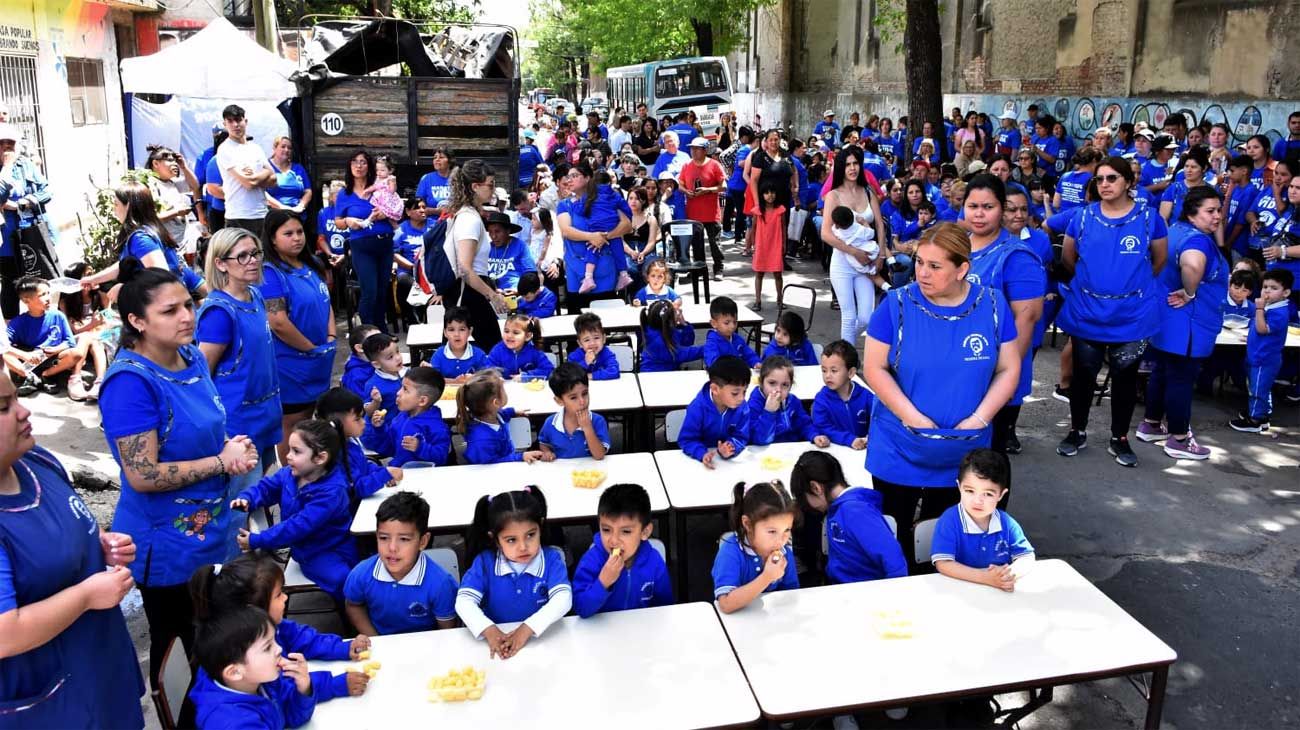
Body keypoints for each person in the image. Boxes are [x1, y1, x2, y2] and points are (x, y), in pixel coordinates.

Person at [99, 260, 258, 690]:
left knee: (217, 642)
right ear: (136, 321)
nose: (187, 316)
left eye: (188, 304)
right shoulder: (130, 384)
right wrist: (221, 463)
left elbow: (204, 428)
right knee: (182, 655)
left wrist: (232, 448)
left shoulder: (189, 356)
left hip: (211, 528)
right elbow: (143, 474)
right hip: (167, 547)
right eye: (170, 311)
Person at [863, 224, 1019, 564]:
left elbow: (1009, 368)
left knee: (949, 538)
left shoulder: (992, 305)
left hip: (963, 451)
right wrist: (912, 417)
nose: (922, 272)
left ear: (962, 268)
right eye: (919, 262)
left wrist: (979, 418)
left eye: (935, 266)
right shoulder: (895, 305)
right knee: (894, 535)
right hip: (899, 445)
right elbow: (874, 368)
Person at [0, 370, 144, 728]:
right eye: (3, 407)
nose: (23, 412)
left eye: (17, 398)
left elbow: (63, 531)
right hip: (49, 702)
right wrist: (85, 596)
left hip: (99, 665)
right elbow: (5, 633)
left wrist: (97, 545)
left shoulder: (37, 462)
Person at [1056, 156, 1170, 467]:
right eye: (1100, 179)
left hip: (1132, 315)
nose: (1105, 184)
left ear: (1129, 182)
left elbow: (1159, 261)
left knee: (1125, 378)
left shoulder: (1149, 219)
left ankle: (1119, 438)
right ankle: (1076, 430)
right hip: (1087, 311)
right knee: (1083, 376)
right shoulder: (1081, 217)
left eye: (1112, 178)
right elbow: (1069, 259)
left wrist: (1128, 287)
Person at [196, 229, 283, 549]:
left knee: (261, 494)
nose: (252, 262)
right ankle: (233, 570)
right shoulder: (220, 312)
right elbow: (203, 373)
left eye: (255, 253)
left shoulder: (255, 296)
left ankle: (259, 556)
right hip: (239, 423)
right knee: (239, 501)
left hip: (265, 416)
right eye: (242, 256)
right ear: (220, 263)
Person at [189, 552, 371, 700]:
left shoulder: (269, 629)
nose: (286, 597)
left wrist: (343, 647)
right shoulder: (244, 657)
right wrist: (334, 685)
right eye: (278, 594)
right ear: (253, 611)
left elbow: (304, 639)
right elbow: (282, 688)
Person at [1133, 187, 1228, 460]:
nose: (1217, 216)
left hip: (1166, 321)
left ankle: (1151, 424)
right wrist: (1190, 292)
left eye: (1219, 210)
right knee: (1181, 380)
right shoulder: (1197, 241)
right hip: (1188, 324)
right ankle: (1179, 438)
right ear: (1191, 212)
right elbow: (1193, 265)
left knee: (1163, 372)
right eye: (1210, 211)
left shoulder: (1173, 230)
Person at [961, 176, 1045, 457]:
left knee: (988, 460)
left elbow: (1026, 323)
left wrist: (1000, 379)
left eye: (988, 206)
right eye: (973, 206)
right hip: (957, 369)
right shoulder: (958, 246)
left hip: (993, 374)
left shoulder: (1018, 258)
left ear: (1001, 210)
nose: (979, 213)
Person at [231, 420, 357, 600]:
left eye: (296, 451)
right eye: (290, 449)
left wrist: (258, 540)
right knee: (345, 582)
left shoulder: (332, 492)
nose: (288, 456)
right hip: (312, 552)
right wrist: (247, 498)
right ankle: (354, 620)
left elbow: (297, 525)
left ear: (320, 458)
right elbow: (265, 488)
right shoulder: (289, 474)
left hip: (336, 546)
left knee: (356, 580)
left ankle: (356, 615)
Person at [455, 487, 572, 658]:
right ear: (495, 539)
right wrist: (489, 630)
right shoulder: (485, 562)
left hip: (542, 647)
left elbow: (563, 599)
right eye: (511, 540)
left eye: (530, 535)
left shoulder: (552, 559)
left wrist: (526, 629)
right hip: (496, 646)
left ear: (540, 526)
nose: (523, 546)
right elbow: (464, 601)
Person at [260, 210, 336, 463]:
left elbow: (326, 301)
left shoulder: (311, 264)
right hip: (291, 364)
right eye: (288, 233)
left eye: (299, 232)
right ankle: (291, 480)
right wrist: (311, 349)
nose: (297, 238)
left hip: (318, 358)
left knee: (311, 423)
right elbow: (277, 321)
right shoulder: (271, 273)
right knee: (293, 425)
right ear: (272, 239)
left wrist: (331, 336)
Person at [187, 606, 323, 728]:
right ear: (234, 672)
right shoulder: (232, 723)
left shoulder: (259, 681)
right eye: (267, 647)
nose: (279, 649)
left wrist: (304, 689)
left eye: (274, 640)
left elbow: (291, 718)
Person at [344, 491, 458, 635]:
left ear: (423, 542)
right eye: (384, 538)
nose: (392, 548)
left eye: (404, 539)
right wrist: (375, 639)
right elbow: (353, 605)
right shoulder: (360, 575)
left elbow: (447, 631)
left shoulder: (441, 584)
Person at [790, 449, 908, 583]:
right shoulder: (840, 508)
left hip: (860, 592)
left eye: (804, 498)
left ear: (816, 488)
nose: (807, 505)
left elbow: (894, 561)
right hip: (841, 587)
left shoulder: (855, 511)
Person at [80, 181, 207, 297]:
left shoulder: (141, 238)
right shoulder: (150, 230)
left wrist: (124, 288)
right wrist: (94, 279)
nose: (114, 210)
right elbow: (125, 264)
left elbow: (161, 275)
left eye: (116, 204)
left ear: (128, 206)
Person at [931, 449, 1035, 589]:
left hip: (997, 592)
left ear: (1001, 495)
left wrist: (1007, 576)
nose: (978, 500)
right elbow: (943, 564)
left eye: (988, 494)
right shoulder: (949, 521)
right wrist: (985, 578)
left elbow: (1027, 557)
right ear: (959, 487)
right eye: (970, 491)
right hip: (958, 591)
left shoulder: (1007, 523)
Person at [571, 483, 672, 617]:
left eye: (625, 531)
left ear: (645, 532)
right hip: (601, 632)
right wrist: (603, 583)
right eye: (606, 530)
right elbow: (580, 608)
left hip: (642, 630)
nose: (614, 540)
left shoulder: (654, 562)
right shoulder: (592, 560)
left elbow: (665, 607)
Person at [822, 146, 889, 342]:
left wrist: (881, 256)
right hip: (842, 262)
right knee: (849, 316)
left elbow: (879, 224)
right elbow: (825, 233)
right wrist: (853, 251)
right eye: (848, 164)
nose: (852, 168)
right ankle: (846, 363)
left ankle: (843, 347)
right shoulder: (833, 195)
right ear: (841, 167)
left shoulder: (868, 192)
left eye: (855, 163)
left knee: (867, 317)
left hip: (867, 261)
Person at [712, 480, 800, 613]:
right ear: (747, 524)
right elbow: (726, 604)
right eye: (772, 532)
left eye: (787, 530)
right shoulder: (730, 552)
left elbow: (792, 594)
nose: (781, 541)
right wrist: (767, 577)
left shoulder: (784, 552)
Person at [4, 277, 98, 400]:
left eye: (48, 293)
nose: (48, 298)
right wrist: (24, 355)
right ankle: (29, 377)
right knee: (4, 354)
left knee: (77, 353)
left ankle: (46, 375)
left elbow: (69, 342)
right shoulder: (19, 322)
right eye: (42, 295)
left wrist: (56, 349)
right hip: (30, 361)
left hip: (54, 359)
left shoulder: (58, 316)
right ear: (26, 300)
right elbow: (3, 344)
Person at [557, 162, 634, 307]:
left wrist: (605, 236)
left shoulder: (606, 198)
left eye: (574, 176)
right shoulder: (565, 204)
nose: (569, 180)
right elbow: (566, 231)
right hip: (575, 267)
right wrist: (592, 237)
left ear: (588, 178)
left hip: (605, 267)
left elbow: (627, 225)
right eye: (568, 177)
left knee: (605, 320)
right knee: (577, 320)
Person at [334, 150, 396, 329]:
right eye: (355, 162)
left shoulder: (380, 185)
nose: (359, 166)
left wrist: (387, 213)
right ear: (349, 166)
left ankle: (381, 330)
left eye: (363, 162)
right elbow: (338, 222)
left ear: (370, 166)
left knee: (382, 290)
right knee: (370, 291)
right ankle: (367, 332)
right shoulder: (344, 194)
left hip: (385, 242)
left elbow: (396, 207)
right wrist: (347, 221)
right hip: (362, 244)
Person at [1229, 269, 1293, 433]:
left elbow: (1262, 329)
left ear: (1285, 292)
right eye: (1265, 287)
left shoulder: (1279, 312)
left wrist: (1258, 309)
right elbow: (1258, 330)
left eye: (1273, 288)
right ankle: (1262, 414)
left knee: (1257, 389)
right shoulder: (1272, 307)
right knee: (1260, 387)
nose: (1267, 291)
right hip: (1257, 354)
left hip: (1264, 358)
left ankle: (1255, 420)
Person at [315, 387, 402, 504]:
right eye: (357, 419)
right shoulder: (334, 455)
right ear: (336, 423)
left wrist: (382, 472)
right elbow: (356, 489)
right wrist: (383, 476)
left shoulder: (349, 442)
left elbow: (363, 467)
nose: (363, 422)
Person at [365, 366, 452, 467]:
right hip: (400, 472)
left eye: (405, 390)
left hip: (424, 477)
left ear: (422, 400)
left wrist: (420, 447)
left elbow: (442, 457)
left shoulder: (437, 427)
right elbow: (388, 448)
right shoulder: (401, 417)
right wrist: (379, 429)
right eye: (401, 387)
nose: (398, 393)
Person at [457, 370, 546, 464]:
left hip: (506, 460)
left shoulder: (492, 415)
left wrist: (513, 412)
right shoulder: (482, 439)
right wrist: (520, 457)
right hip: (494, 472)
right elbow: (493, 464)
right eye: (503, 390)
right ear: (496, 403)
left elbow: (502, 414)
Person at [680, 355, 751, 468]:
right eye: (735, 393)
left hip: (727, 465)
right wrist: (702, 453)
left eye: (745, 391)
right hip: (700, 463)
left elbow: (741, 436)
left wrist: (730, 447)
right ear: (715, 389)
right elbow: (687, 440)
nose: (741, 398)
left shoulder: (742, 408)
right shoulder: (698, 408)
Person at [215, 105, 273, 235]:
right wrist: (262, 175)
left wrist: (254, 176)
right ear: (225, 124)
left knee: (263, 254)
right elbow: (248, 184)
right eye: (230, 121)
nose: (235, 124)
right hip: (238, 215)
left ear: (245, 121)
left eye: (238, 119)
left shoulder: (256, 148)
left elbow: (274, 178)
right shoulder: (225, 149)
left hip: (261, 213)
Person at [538, 362, 611, 460]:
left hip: (590, 473)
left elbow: (599, 455)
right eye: (573, 398)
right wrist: (547, 452)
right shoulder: (551, 423)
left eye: (585, 393)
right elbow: (543, 443)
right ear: (559, 401)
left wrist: (587, 428)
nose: (582, 401)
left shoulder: (597, 421)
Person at [812, 339, 874, 450]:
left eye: (834, 370)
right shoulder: (821, 400)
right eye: (824, 370)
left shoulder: (865, 396)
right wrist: (849, 440)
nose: (827, 376)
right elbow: (823, 427)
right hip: (835, 452)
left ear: (851, 373)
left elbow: (879, 418)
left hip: (864, 451)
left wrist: (871, 437)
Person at [747, 355, 821, 445]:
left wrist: (814, 435)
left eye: (785, 385)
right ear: (761, 382)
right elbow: (759, 439)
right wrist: (769, 412)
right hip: (766, 452)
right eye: (772, 383)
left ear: (790, 386)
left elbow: (804, 424)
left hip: (791, 450)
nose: (778, 389)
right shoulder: (754, 405)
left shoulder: (792, 401)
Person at [680, 137, 727, 279]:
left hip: (711, 212)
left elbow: (724, 186)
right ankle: (700, 269)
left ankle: (718, 268)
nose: (693, 151)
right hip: (693, 212)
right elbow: (680, 183)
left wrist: (707, 190)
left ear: (704, 150)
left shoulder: (714, 165)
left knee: (715, 243)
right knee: (696, 244)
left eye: (697, 149)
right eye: (692, 148)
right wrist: (686, 191)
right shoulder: (686, 165)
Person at [144, 144, 200, 255]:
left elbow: (195, 186)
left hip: (180, 242)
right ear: (155, 163)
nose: (174, 164)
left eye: (175, 161)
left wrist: (184, 167)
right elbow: (151, 218)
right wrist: (177, 212)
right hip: (165, 245)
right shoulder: (150, 185)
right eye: (169, 160)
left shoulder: (171, 182)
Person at [426, 306, 489, 382]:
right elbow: (434, 381)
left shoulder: (479, 355)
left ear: (470, 331)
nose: (456, 334)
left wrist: (472, 379)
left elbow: (486, 379)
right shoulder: (438, 355)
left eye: (462, 329)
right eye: (451, 330)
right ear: (445, 332)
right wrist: (455, 382)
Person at [751, 181, 787, 308]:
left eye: (772, 192)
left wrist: (784, 244)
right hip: (761, 245)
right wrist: (751, 244)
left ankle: (780, 300)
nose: (770, 195)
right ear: (762, 195)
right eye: (766, 193)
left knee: (778, 273)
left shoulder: (780, 210)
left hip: (775, 245)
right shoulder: (757, 211)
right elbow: (753, 228)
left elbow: (783, 228)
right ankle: (758, 300)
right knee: (759, 273)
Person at [639, 300, 702, 372]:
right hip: (653, 375)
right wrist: (709, 347)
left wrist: (684, 325)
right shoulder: (658, 341)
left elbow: (688, 342)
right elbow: (684, 354)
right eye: (675, 312)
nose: (678, 312)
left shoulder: (666, 330)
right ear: (669, 320)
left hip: (666, 372)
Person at [487, 313, 554, 379]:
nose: (509, 336)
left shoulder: (534, 351)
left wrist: (527, 376)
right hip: (504, 388)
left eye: (516, 333)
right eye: (506, 331)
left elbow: (549, 369)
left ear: (527, 336)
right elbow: (487, 370)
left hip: (528, 388)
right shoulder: (497, 350)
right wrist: (495, 378)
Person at [265, 136, 312, 220]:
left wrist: (301, 206)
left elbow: (308, 191)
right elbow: (263, 193)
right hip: (275, 215)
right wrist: (282, 207)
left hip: (297, 214)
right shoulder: (266, 167)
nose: (286, 150)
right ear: (275, 148)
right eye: (283, 146)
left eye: (289, 148)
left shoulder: (298, 168)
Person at [704, 296, 760, 366]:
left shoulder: (737, 339)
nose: (732, 326)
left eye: (735, 322)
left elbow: (749, 355)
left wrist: (756, 363)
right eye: (726, 323)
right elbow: (714, 363)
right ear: (714, 323)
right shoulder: (712, 342)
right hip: (720, 375)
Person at [567, 312, 619, 380]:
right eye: (587, 340)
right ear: (580, 343)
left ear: (604, 339)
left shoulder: (607, 354)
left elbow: (614, 372)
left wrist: (591, 376)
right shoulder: (574, 356)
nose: (592, 343)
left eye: (596, 338)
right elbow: (569, 375)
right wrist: (585, 362)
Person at [416, 148, 456, 214]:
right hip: (432, 221)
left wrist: (436, 211)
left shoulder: (458, 178)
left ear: (450, 161)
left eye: (441, 157)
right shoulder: (426, 178)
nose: (437, 160)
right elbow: (419, 203)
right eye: (435, 158)